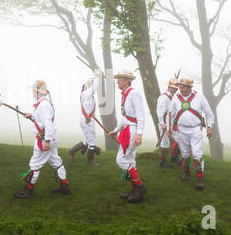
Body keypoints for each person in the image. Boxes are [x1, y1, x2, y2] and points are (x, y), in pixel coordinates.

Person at [13, 80, 70, 198]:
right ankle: (65, 186)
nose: (32, 92)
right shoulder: (43, 103)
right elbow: (43, 119)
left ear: (37, 91)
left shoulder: (43, 105)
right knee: (56, 162)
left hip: (45, 139)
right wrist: (32, 115)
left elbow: (48, 123)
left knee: (35, 164)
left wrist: (47, 141)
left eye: (33, 90)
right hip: (49, 138)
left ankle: (28, 191)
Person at [108, 70, 147, 203]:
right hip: (127, 129)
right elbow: (125, 117)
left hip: (132, 130)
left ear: (126, 81)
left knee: (120, 159)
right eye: (118, 79)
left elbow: (140, 115)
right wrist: (116, 130)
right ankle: (135, 190)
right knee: (130, 160)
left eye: (120, 79)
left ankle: (140, 187)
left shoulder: (133, 93)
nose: (117, 81)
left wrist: (139, 134)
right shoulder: (125, 94)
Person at [168, 78, 214, 190]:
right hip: (181, 130)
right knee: (185, 154)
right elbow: (170, 114)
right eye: (180, 87)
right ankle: (187, 172)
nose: (181, 89)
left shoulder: (199, 97)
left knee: (197, 154)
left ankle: (200, 179)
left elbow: (209, 113)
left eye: (183, 87)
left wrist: (209, 127)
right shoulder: (175, 98)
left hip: (196, 130)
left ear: (190, 87)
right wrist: (169, 128)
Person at [67, 69, 102, 166]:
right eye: (90, 84)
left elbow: (93, 90)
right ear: (87, 86)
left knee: (89, 139)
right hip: (87, 120)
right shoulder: (86, 93)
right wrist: (98, 77)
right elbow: (94, 89)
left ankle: (72, 151)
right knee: (92, 141)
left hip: (88, 120)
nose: (91, 85)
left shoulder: (88, 95)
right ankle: (90, 161)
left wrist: (96, 78)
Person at [156, 78, 179, 168]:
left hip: (171, 123)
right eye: (174, 87)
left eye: (176, 87)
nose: (176, 89)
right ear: (169, 87)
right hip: (164, 123)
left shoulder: (173, 98)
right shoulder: (164, 97)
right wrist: (162, 124)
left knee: (179, 139)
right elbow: (160, 112)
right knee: (165, 143)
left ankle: (174, 156)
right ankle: (163, 162)